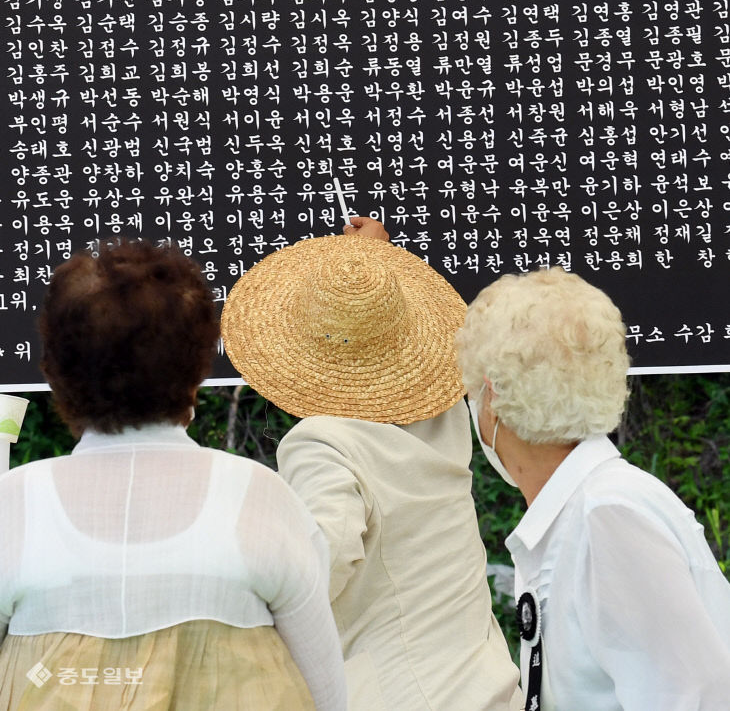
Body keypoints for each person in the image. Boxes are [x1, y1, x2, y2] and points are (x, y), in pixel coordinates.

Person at [0, 239, 346, 711]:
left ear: (54, 371)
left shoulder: (14, 504)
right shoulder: (257, 496)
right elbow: (325, 692)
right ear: (196, 369)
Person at [221, 222, 522, 711]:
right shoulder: (443, 419)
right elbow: (425, 366)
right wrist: (373, 268)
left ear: (301, 351)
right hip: (488, 682)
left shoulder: (321, 445)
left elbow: (317, 571)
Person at [455, 265, 730, 711]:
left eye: (471, 394)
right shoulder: (588, 506)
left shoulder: (607, 516)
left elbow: (693, 698)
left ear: (493, 397)